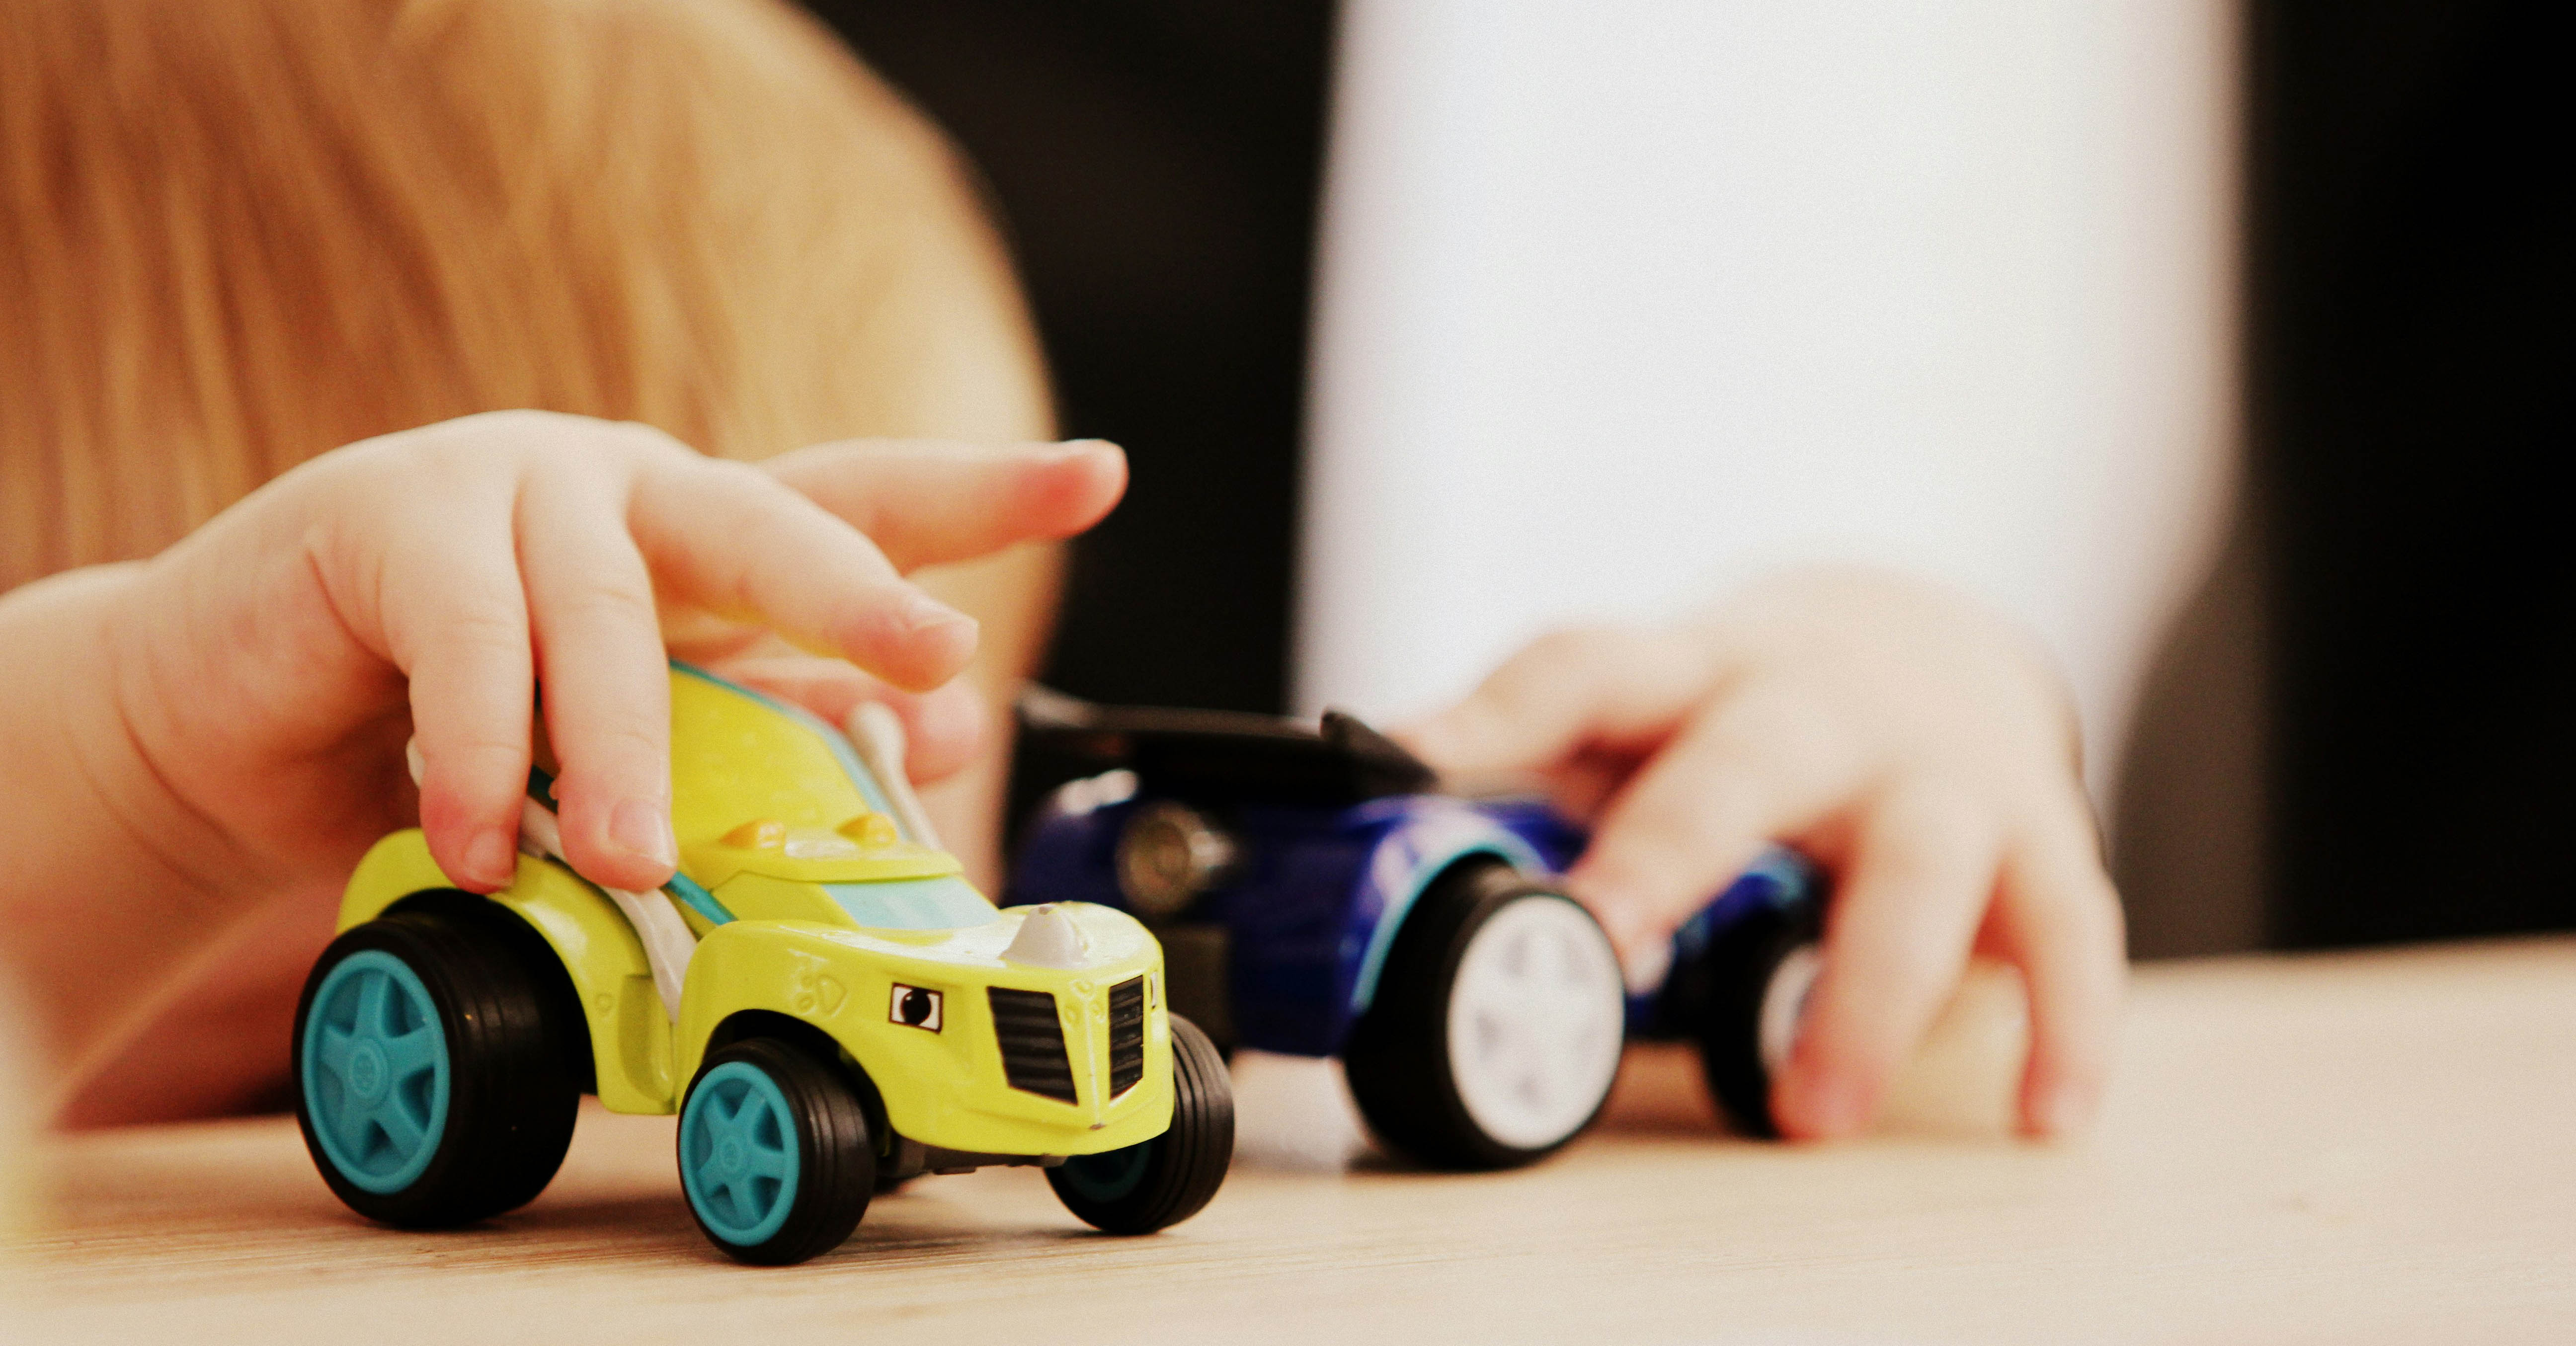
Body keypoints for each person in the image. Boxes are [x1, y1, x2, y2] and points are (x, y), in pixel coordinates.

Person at [0, 0, 2116, 1145]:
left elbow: (1490, 1010)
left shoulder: (893, 847)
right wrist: (126, 764)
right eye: (271, 1082)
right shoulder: (115, 820)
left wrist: (1881, 682)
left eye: (871, 743)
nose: (890, 775)